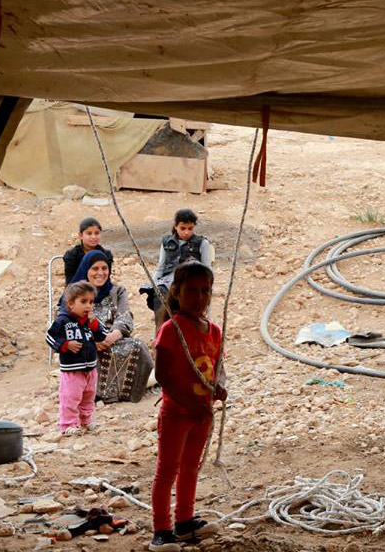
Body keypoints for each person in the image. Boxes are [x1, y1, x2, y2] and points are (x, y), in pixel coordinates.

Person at [149, 262, 224, 552]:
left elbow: (218, 366)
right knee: (167, 470)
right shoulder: (171, 329)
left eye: (206, 291)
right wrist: (189, 402)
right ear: (177, 293)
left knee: (191, 467)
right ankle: (161, 529)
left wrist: (219, 388)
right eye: (191, 291)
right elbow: (163, 375)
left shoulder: (214, 330)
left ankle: (184, 521)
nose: (200, 297)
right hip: (177, 414)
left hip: (202, 414)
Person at [65, 250, 153, 403]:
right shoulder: (74, 293)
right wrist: (92, 339)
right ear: (86, 269)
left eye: (104, 268)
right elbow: (65, 322)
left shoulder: (117, 291)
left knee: (138, 346)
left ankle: (125, 392)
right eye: (95, 269)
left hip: (113, 339)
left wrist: (111, 337)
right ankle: (92, 393)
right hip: (85, 341)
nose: (100, 273)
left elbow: (124, 317)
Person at [46, 281, 105, 435]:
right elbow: (50, 338)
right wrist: (65, 345)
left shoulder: (91, 321)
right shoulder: (62, 321)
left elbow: (102, 335)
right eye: (83, 302)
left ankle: (85, 420)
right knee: (70, 397)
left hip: (90, 368)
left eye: (91, 302)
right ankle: (68, 424)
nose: (88, 306)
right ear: (71, 304)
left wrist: (95, 324)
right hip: (72, 369)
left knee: (89, 395)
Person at [149, 208, 212, 331]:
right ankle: (161, 331)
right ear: (176, 226)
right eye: (183, 228)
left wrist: (207, 288)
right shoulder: (167, 242)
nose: (187, 232)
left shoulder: (202, 243)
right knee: (159, 293)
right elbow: (161, 266)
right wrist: (153, 284)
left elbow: (207, 269)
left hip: (190, 281)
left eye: (190, 229)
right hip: (168, 281)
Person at [63, 217, 114, 285]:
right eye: (89, 233)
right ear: (81, 235)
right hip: (78, 291)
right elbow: (70, 282)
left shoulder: (106, 255)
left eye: (97, 233)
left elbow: (106, 279)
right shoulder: (72, 255)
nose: (93, 237)